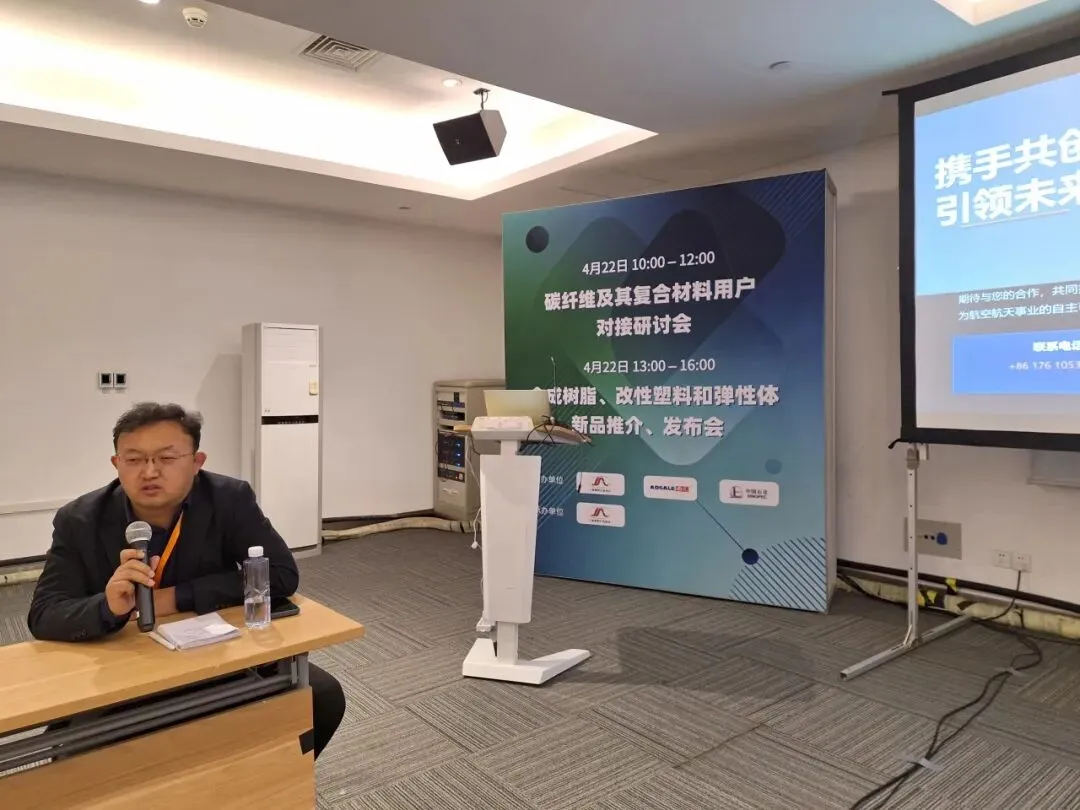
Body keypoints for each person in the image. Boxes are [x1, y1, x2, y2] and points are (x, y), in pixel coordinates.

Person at [27, 402, 345, 759]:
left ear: (196, 462)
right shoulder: (79, 520)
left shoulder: (229, 499)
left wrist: (175, 597)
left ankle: (267, 781)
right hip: (120, 669)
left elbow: (281, 574)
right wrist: (108, 606)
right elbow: (44, 614)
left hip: (214, 657)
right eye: (134, 459)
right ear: (116, 464)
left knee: (322, 696)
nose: (150, 471)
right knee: (76, 754)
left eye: (166, 458)